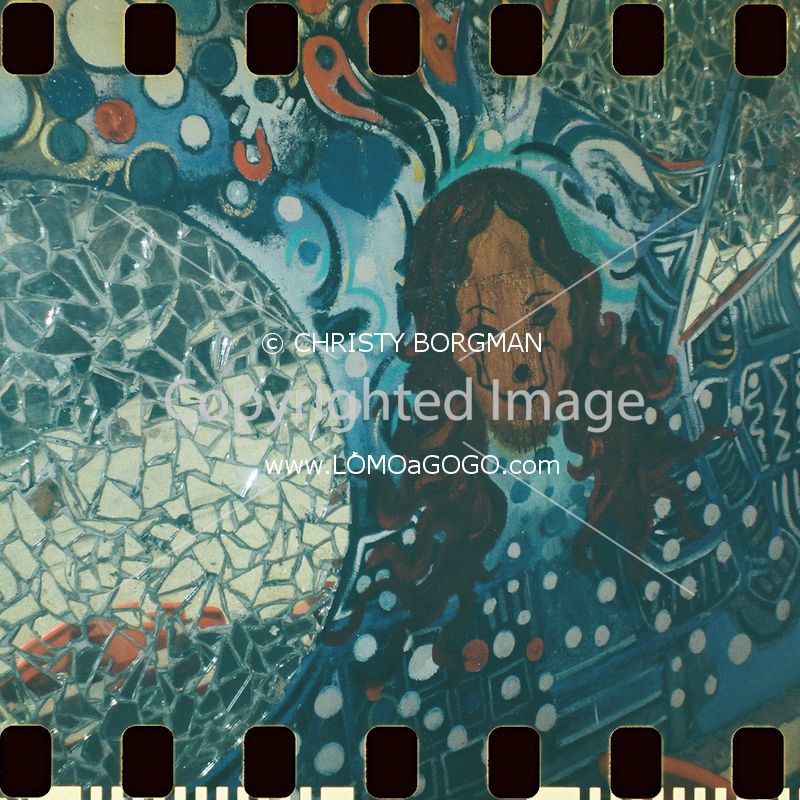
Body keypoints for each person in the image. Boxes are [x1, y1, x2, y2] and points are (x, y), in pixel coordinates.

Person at [330, 168, 728, 666]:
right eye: (481, 334)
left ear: (578, 310)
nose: (521, 360)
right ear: (443, 352)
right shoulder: (436, 498)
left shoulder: (619, 443)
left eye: (542, 315)